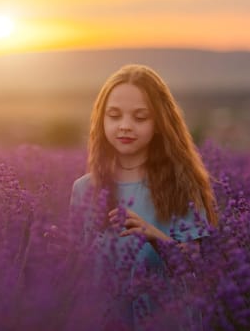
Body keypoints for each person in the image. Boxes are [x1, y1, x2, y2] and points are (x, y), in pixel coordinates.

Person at [69, 64, 218, 330]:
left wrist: (154, 236)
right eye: (114, 116)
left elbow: (196, 266)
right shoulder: (83, 190)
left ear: (160, 124)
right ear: (101, 120)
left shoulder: (181, 187)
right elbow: (80, 275)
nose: (125, 126)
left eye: (140, 118)